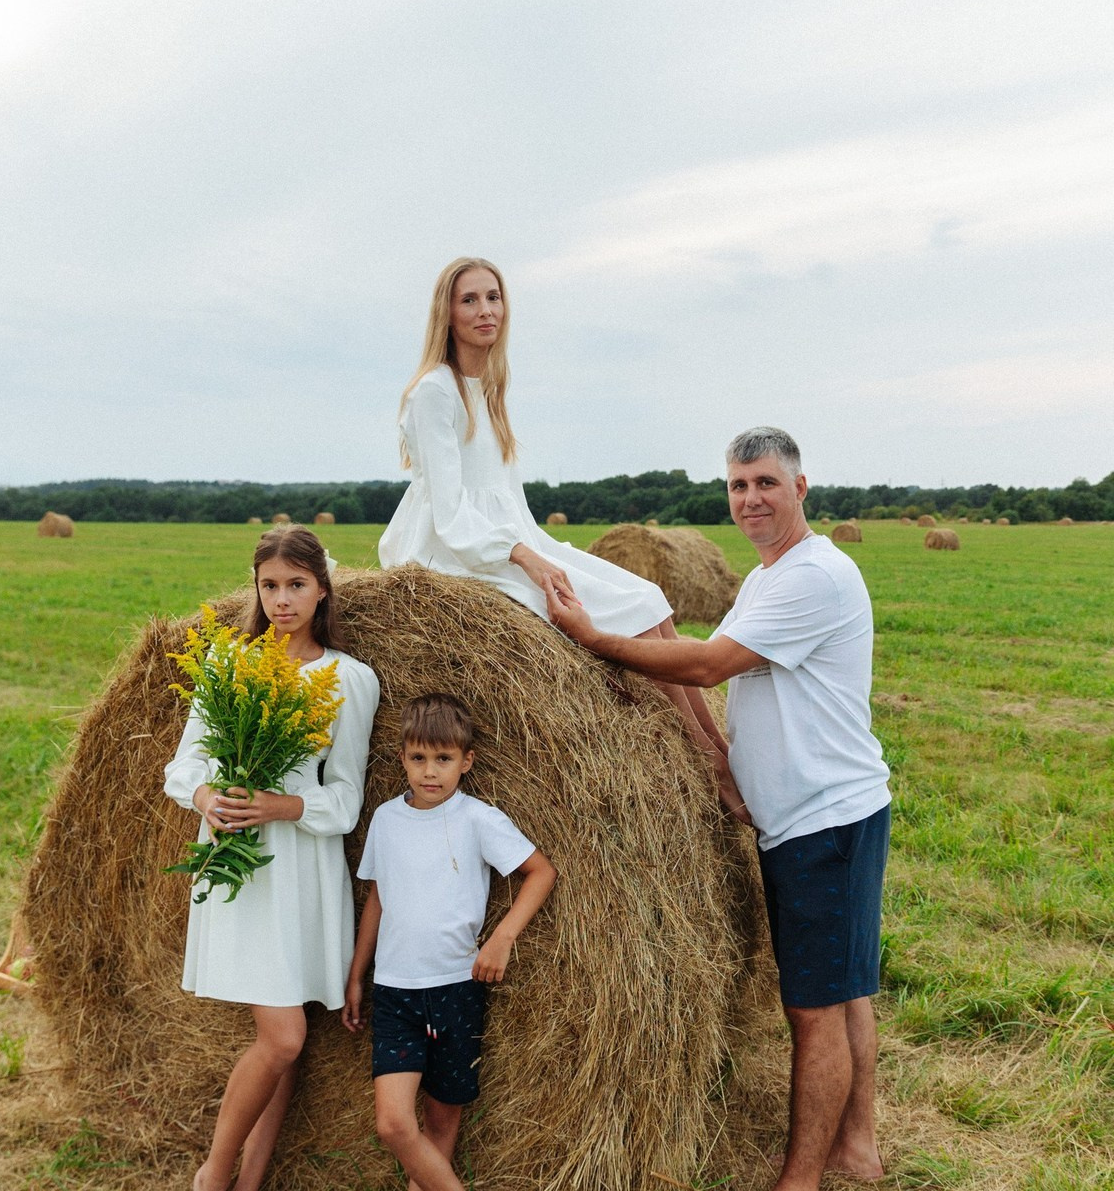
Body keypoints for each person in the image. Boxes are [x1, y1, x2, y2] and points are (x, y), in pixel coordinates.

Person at [545, 426, 890, 1191]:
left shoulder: (813, 577)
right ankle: (856, 1146)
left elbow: (705, 663)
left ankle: (799, 1179)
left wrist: (594, 638)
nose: (750, 499)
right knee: (844, 988)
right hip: (819, 815)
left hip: (823, 823)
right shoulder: (770, 576)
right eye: (738, 486)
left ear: (801, 488)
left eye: (765, 483)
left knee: (816, 1010)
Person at [379, 256, 742, 815]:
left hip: (509, 538)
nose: (485, 311)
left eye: (493, 297)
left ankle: (715, 749)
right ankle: (708, 758)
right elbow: (451, 515)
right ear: (446, 313)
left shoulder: (489, 388)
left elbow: (505, 501)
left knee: (647, 599)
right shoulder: (435, 392)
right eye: (469, 300)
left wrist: (539, 547)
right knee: (611, 610)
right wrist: (524, 556)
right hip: (452, 552)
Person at [164, 526, 381, 1191]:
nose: (282, 599)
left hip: (301, 870)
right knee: (283, 1038)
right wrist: (207, 796)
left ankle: (241, 1180)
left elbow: (344, 801)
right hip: (240, 870)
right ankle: (214, 1173)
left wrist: (281, 806)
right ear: (256, 589)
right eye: (270, 585)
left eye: (296, 585)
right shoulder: (228, 665)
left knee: (287, 1040)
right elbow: (183, 767)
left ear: (321, 589)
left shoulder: (350, 678)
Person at [341, 693, 557, 1191]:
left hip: (456, 989)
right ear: (402, 759)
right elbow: (378, 898)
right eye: (419, 758)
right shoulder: (386, 820)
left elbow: (540, 872)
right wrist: (357, 975)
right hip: (394, 993)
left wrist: (502, 938)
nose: (430, 772)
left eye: (443, 759)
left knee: (441, 1125)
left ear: (466, 762)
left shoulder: (477, 819)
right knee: (393, 1124)